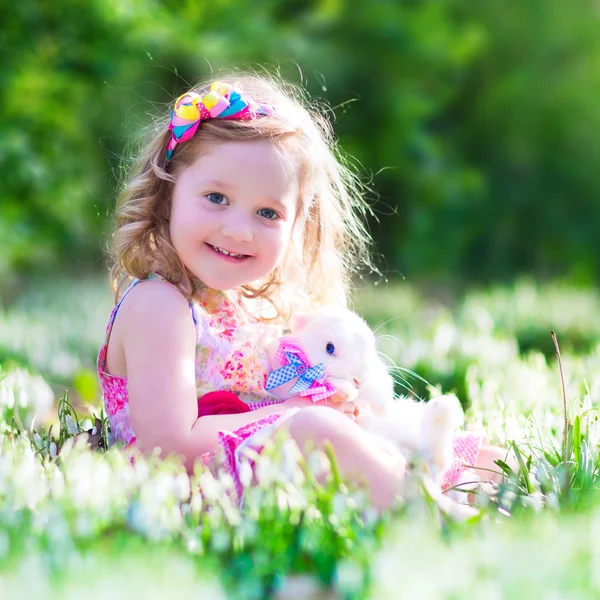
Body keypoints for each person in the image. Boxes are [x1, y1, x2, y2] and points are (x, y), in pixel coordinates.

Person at [97, 74, 508, 512]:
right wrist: (295, 410)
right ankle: (420, 510)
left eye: (267, 212)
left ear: (296, 225)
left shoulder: (240, 306)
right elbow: (172, 446)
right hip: (188, 486)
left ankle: (491, 488)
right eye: (216, 198)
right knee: (317, 429)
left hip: (261, 466)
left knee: (452, 447)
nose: (238, 229)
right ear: (167, 195)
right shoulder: (159, 305)